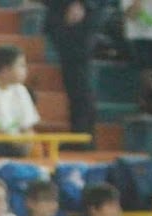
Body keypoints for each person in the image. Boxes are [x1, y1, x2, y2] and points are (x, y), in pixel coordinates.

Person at [44, 0, 103, 134]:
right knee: (72, 79)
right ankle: (79, 131)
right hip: (61, 13)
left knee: (78, 78)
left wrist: (81, 3)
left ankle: (83, 133)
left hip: (77, 14)